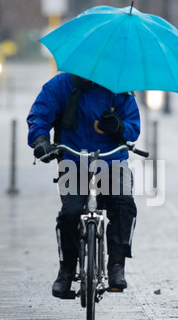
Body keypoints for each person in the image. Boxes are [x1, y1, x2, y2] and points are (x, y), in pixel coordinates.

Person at [27, 72, 141, 299]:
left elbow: (133, 126)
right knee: (70, 214)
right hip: (72, 159)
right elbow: (39, 116)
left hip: (111, 159)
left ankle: (116, 265)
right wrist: (40, 141)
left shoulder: (117, 88)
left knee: (123, 203)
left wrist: (119, 127)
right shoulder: (58, 86)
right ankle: (67, 269)